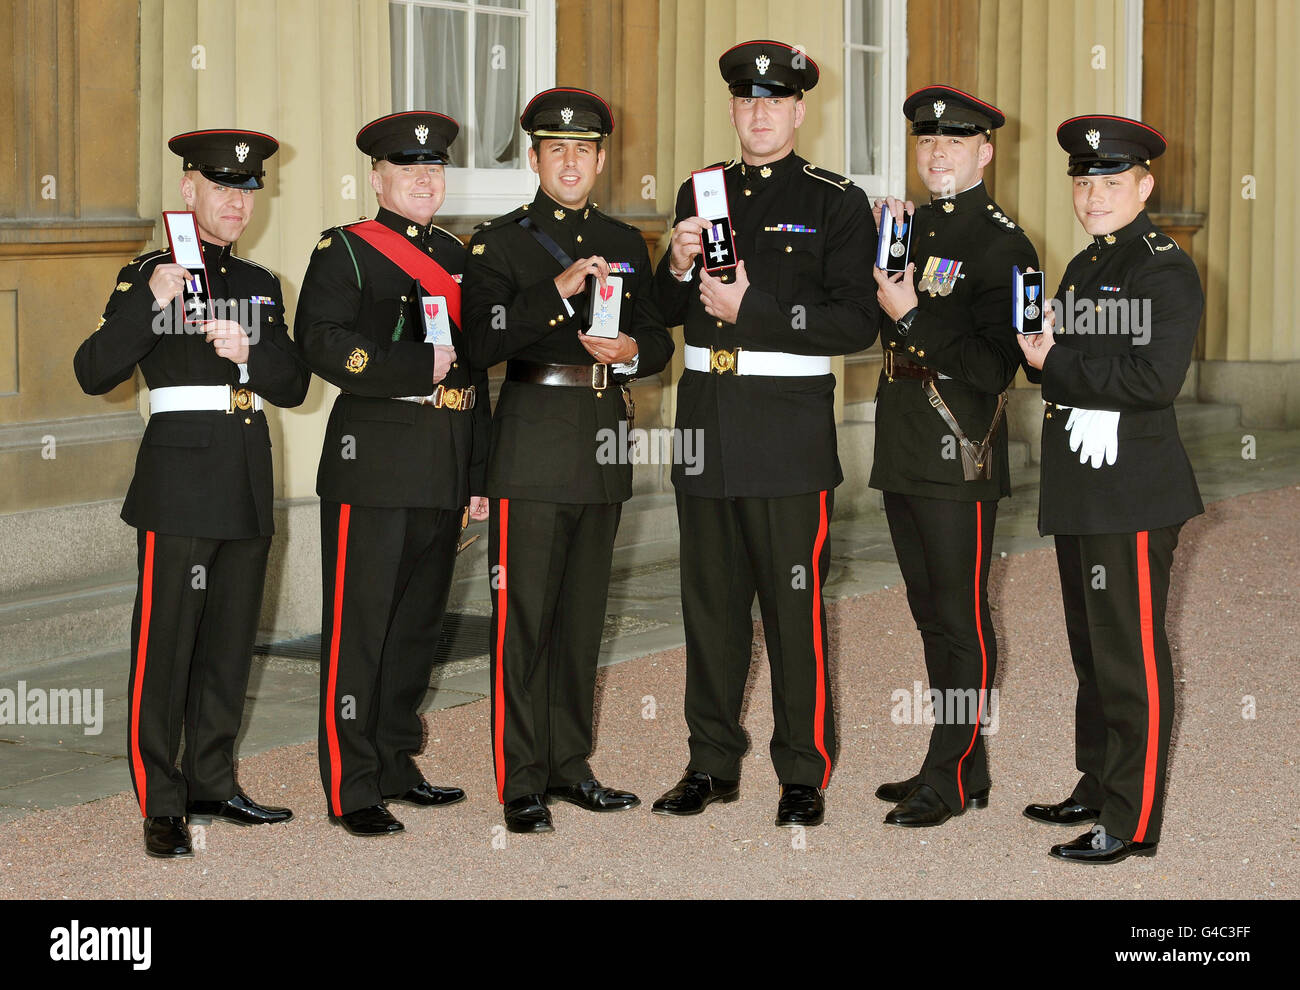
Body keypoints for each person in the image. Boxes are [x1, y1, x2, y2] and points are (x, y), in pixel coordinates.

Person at [649, 41, 879, 829]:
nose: (758, 113)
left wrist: (755, 310)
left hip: (787, 434)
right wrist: (673, 266)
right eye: (746, 101)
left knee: (793, 609)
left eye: (774, 102)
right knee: (709, 607)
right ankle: (710, 763)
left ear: (799, 110)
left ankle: (802, 771)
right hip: (707, 423)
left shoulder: (836, 201)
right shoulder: (699, 189)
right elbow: (659, 318)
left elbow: (854, 322)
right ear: (732, 108)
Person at [73, 129, 308, 858]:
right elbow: (92, 371)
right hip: (178, 479)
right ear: (189, 191)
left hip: (245, 473)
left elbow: (295, 385)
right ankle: (162, 801)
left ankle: (213, 779)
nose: (237, 202)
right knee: (165, 643)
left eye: (246, 190)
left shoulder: (262, 283)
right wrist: (151, 301)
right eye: (222, 188)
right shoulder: (147, 274)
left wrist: (252, 352)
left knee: (230, 642)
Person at [462, 87, 673, 834]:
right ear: (535, 158)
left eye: (584, 150)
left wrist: (633, 351)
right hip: (531, 445)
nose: (572, 161)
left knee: (583, 620)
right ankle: (521, 778)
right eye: (557, 149)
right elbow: (479, 342)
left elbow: (658, 339)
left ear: (602, 159)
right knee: (524, 621)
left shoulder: (625, 239)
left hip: (601, 439)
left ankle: (570, 764)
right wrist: (555, 291)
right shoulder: (498, 242)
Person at [295, 111, 489, 837]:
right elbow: (320, 341)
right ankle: (352, 784)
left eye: (434, 169)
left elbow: (474, 372)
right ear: (377, 178)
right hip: (371, 467)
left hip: (442, 464)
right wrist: (411, 364)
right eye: (408, 170)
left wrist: (478, 470)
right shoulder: (345, 250)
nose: (424, 180)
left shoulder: (457, 253)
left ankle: (398, 761)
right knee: (360, 632)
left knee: (415, 629)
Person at [1017, 115, 1202, 864]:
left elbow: (1154, 380)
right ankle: (1096, 782)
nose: (1093, 196)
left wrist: (1056, 362)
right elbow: (1064, 360)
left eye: (1111, 182)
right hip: (1082, 480)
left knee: (1131, 659)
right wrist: (1039, 355)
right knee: (1092, 651)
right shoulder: (1086, 264)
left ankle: (1130, 819)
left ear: (1144, 185)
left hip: (1131, 488)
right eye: (1084, 182)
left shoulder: (1164, 267)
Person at [869, 86, 1039, 827]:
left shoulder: (1005, 244)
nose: (936, 153)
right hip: (903, 435)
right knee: (929, 612)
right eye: (926, 142)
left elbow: (997, 365)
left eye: (954, 142)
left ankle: (953, 771)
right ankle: (956, 764)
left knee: (961, 615)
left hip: (958, 443)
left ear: (985, 152)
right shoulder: (906, 229)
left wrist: (911, 314)